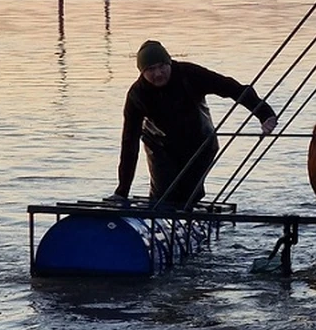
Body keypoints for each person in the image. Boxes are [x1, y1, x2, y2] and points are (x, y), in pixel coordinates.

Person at [107, 39, 278, 207]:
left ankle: (188, 216)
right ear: (142, 72)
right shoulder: (137, 94)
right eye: (150, 70)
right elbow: (129, 143)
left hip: (200, 142)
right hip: (160, 147)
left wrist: (265, 114)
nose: (158, 74)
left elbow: (232, 88)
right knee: (164, 196)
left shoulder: (189, 74)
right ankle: (160, 220)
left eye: (162, 66)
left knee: (189, 195)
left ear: (170, 63)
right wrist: (122, 191)